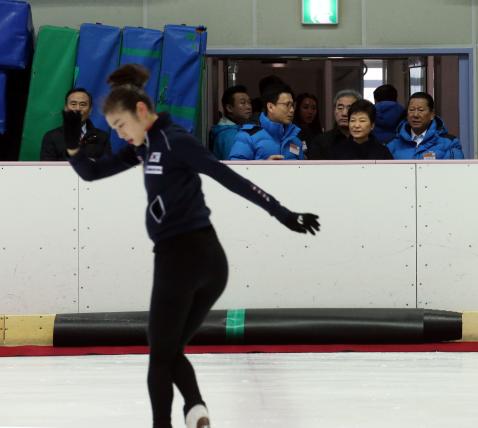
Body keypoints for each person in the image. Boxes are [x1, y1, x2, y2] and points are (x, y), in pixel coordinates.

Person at [63, 64, 320, 428]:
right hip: (206, 261)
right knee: (167, 349)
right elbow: (92, 173)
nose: (120, 135)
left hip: (183, 257)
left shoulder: (173, 141)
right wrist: (73, 146)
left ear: (139, 112)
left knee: (159, 355)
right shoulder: (144, 145)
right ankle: (195, 408)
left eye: (120, 126)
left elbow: (229, 178)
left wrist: (282, 213)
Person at [229, 84, 304, 160]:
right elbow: (236, 169)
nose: (292, 110)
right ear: (270, 107)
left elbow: (302, 169)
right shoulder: (248, 136)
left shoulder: (294, 140)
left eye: (292, 105)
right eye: (287, 105)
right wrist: (264, 168)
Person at [387, 92, 464, 160]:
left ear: (432, 114)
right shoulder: (393, 144)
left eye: (421, 110)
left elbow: (454, 173)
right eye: (411, 110)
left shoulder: (449, 143)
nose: (415, 115)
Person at [40, 88, 111, 161]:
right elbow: (47, 169)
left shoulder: (102, 137)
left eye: (83, 104)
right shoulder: (51, 137)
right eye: (73, 104)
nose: (77, 108)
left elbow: (107, 167)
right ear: (66, 108)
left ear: (90, 110)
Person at [307, 89, 362, 160]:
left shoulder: (366, 141)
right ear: (334, 110)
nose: (344, 113)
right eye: (340, 108)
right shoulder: (320, 142)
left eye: (350, 108)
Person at [209, 85, 252, 160]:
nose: (249, 107)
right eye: (242, 103)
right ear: (229, 108)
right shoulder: (229, 135)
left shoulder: (234, 129)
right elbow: (234, 166)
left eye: (249, 102)